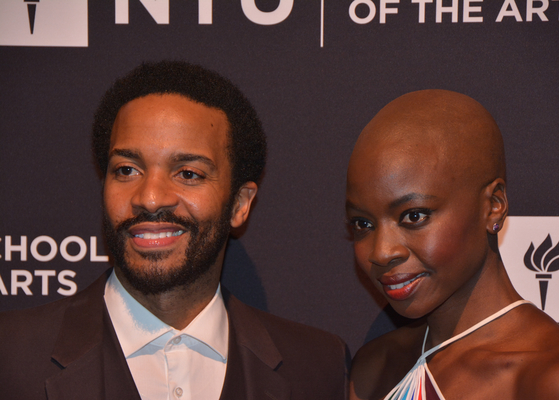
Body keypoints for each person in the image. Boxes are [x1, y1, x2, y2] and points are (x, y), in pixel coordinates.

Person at [0, 61, 348, 400]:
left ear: (240, 203)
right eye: (126, 170)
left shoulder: (318, 367)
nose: (150, 198)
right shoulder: (10, 356)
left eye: (188, 174)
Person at [345, 90, 559, 400]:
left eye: (414, 216)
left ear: (493, 206)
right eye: (363, 224)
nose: (381, 252)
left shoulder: (558, 385)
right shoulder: (373, 369)